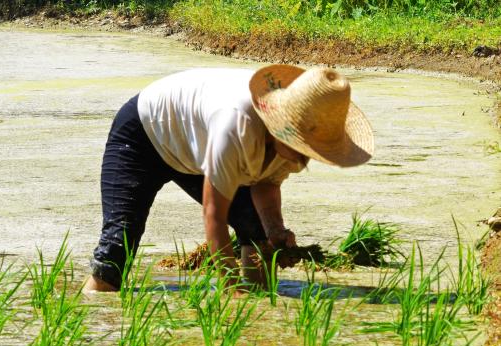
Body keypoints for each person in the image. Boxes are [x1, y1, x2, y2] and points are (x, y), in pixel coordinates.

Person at [84, 64, 374, 292]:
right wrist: (230, 284)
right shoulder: (236, 125)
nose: (306, 156)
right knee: (117, 246)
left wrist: (275, 230)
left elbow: (266, 182)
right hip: (144, 135)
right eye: (304, 146)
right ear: (282, 127)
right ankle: (95, 309)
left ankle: (260, 304)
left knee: (258, 232)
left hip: (196, 143)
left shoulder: (291, 147)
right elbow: (214, 215)